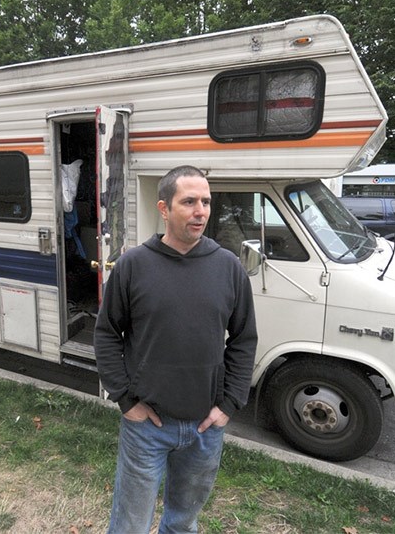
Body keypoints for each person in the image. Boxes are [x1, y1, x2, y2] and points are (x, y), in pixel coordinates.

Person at [94, 165, 258, 533]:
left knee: (183, 524)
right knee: (130, 525)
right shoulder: (133, 265)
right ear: (164, 208)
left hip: (205, 427)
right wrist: (124, 399)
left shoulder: (228, 268)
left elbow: (244, 339)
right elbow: (106, 334)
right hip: (146, 425)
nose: (200, 210)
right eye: (189, 202)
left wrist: (228, 405)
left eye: (206, 202)